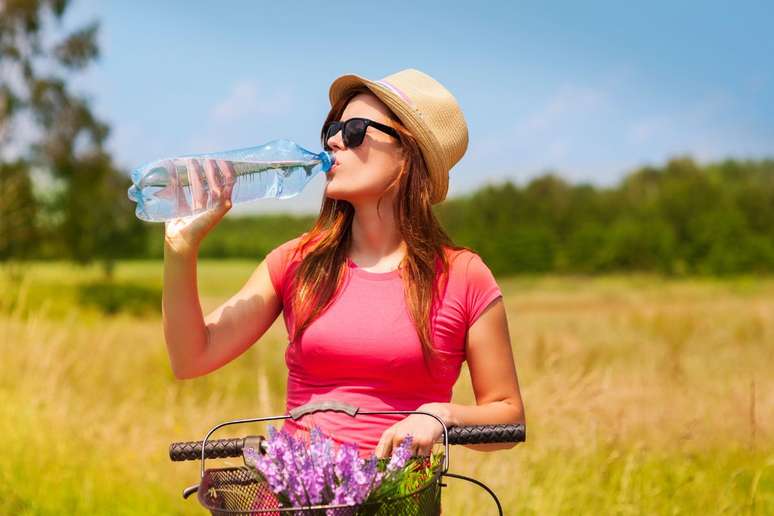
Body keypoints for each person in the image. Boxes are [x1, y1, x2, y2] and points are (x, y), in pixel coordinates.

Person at [162, 68, 525, 460]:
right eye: (332, 129)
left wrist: (440, 417)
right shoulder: (296, 262)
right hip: (292, 500)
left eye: (354, 131)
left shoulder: (463, 277)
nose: (334, 140)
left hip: (397, 500)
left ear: (408, 152)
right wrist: (181, 248)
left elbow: (509, 417)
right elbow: (191, 357)